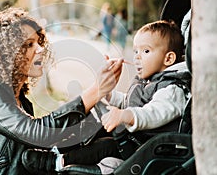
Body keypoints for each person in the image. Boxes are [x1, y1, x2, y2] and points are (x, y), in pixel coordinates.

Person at [0, 7, 124, 174]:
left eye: (38, 42)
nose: (40, 49)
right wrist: (96, 91)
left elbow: (32, 149)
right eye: (29, 45)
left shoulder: (19, 98)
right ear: (6, 53)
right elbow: (37, 133)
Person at [23, 20, 191, 174]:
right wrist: (107, 94)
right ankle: (59, 148)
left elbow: (154, 113)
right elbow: (130, 101)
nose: (137, 57)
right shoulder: (148, 81)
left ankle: (57, 162)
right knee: (97, 125)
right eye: (136, 51)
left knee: (106, 145)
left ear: (168, 58)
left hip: (148, 148)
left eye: (146, 51)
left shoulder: (173, 89)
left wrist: (125, 115)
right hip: (135, 140)